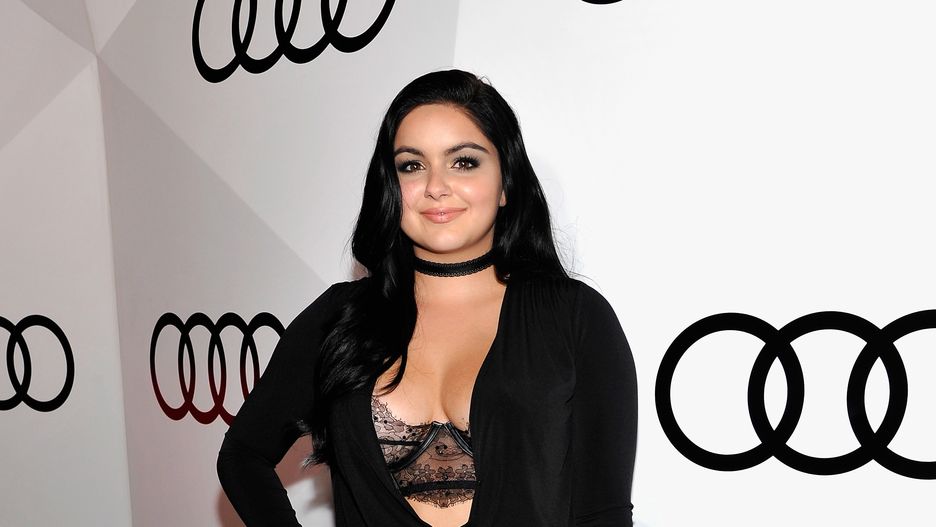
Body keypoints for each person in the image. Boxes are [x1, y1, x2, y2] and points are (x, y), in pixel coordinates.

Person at [217, 69, 637, 526]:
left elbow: (604, 513)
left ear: (506, 183)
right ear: (391, 185)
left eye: (464, 162)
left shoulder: (575, 319)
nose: (436, 186)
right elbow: (243, 454)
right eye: (412, 165)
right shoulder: (340, 317)